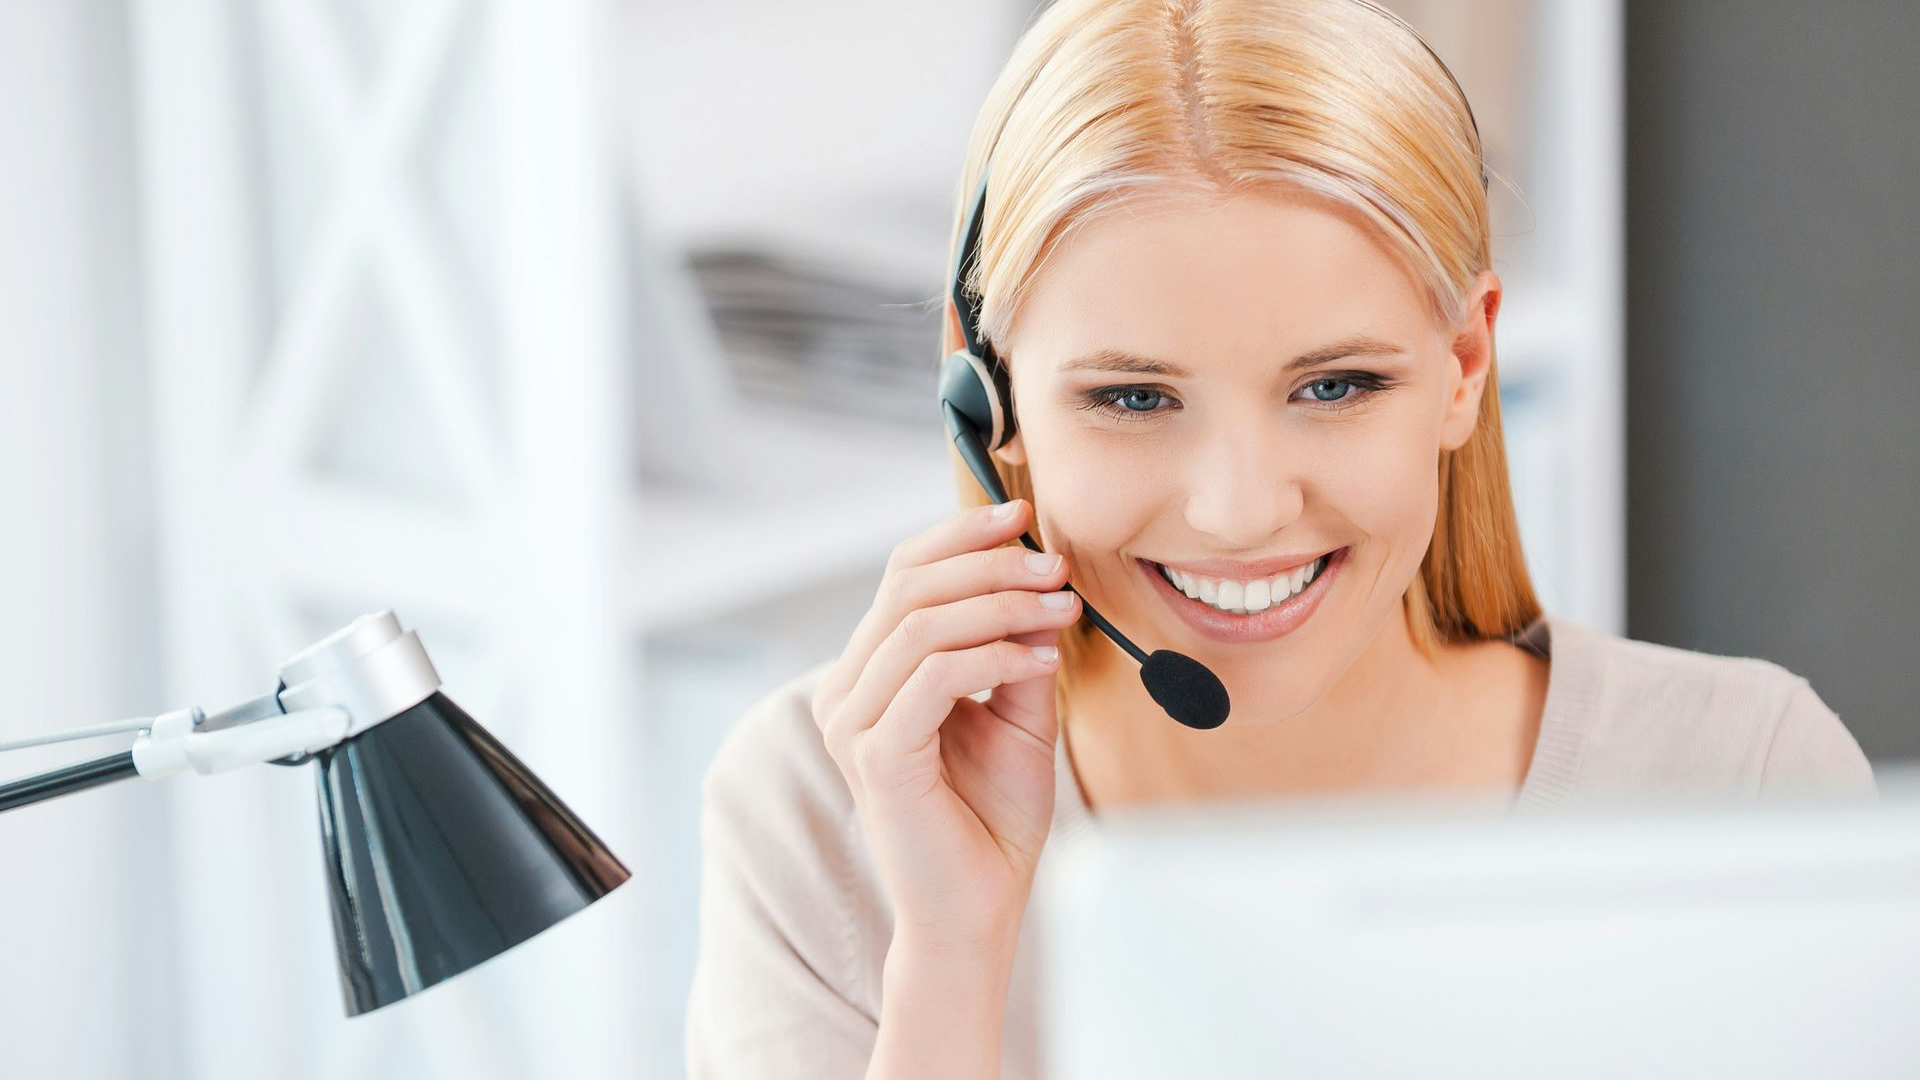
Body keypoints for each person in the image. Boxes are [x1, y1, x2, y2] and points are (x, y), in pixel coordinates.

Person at [684, 1, 1877, 1076]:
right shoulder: (824, 806)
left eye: (1336, 386)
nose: (1242, 510)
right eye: (1134, 398)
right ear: (982, 392)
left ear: (1465, 366)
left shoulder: (1744, 782)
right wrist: (951, 951)